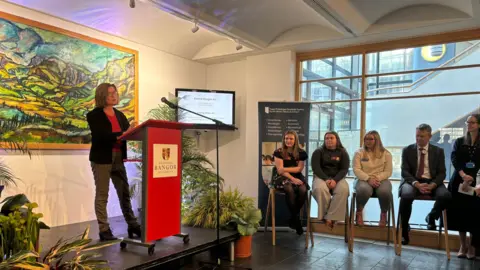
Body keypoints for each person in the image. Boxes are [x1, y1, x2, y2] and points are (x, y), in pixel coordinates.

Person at [87, 83, 141, 241]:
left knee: (124, 193)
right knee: (102, 194)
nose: (114, 96)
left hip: (118, 157)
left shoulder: (119, 114)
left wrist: (134, 130)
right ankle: (104, 230)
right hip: (102, 158)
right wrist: (122, 134)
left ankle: (132, 224)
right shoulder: (94, 115)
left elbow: (126, 133)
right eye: (110, 93)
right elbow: (102, 135)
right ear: (102, 96)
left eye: (115, 93)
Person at [399, 123, 451, 245]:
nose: (418, 139)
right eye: (417, 136)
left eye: (422, 136)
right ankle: (404, 230)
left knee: (446, 196)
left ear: (429, 136)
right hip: (412, 181)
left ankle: (432, 216)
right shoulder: (407, 150)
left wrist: (433, 184)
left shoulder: (438, 151)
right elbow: (404, 171)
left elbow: (442, 173)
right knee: (406, 195)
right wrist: (416, 184)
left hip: (432, 182)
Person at [447, 114, 480, 259]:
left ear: (479, 124)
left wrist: (476, 181)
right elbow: (454, 158)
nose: (469, 125)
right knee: (459, 213)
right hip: (459, 181)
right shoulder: (459, 141)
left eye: (472, 122)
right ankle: (462, 245)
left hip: (477, 182)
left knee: (473, 215)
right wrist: (463, 175)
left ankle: (472, 247)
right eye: (468, 122)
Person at [353, 130, 393, 227]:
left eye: (371, 139)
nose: (368, 141)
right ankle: (359, 212)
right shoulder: (359, 153)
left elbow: (388, 171)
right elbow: (356, 169)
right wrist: (368, 179)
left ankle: (383, 214)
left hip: (381, 179)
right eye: (366, 139)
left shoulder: (386, 154)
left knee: (384, 191)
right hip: (363, 178)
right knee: (363, 189)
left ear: (377, 140)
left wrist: (377, 178)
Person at [311, 131, 350, 230]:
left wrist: (335, 180)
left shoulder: (343, 152)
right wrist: (326, 179)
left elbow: (344, 169)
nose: (328, 140)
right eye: (326, 138)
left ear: (337, 140)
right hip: (321, 177)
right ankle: (329, 217)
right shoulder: (318, 152)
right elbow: (316, 168)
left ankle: (329, 217)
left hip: (338, 178)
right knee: (320, 189)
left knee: (344, 189)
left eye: (331, 138)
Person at [273, 130, 308, 235]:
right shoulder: (278, 152)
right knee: (288, 188)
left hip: (298, 176)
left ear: (295, 140)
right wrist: (292, 178)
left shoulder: (301, 153)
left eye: (291, 138)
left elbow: (299, 169)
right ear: (284, 140)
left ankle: (293, 217)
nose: (288, 140)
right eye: (286, 138)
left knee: (303, 189)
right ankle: (297, 220)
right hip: (282, 177)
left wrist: (285, 169)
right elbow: (280, 171)